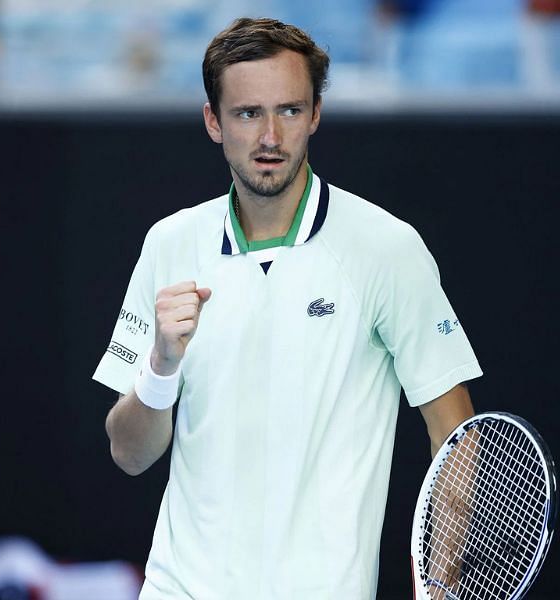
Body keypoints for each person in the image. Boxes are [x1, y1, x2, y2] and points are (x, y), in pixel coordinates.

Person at [95, 18, 480, 599]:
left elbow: (456, 435)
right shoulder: (168, 243)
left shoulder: (387, 248)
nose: (270, 136)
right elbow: (128, 454)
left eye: (290, 111)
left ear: (316, 115)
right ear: (213, 122)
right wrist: (161, 365)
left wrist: (444, 581)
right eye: (248, 113)